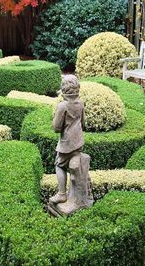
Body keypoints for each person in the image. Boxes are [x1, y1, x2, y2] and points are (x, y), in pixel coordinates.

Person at [50, 75, 85, 204]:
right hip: (78, 142)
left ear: (64, 89)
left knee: (59, 165)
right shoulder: (80, 103)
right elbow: (83, 122)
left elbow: (56, 127)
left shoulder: (62, 106)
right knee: (74, 158)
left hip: (66, 144)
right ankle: (74, 161)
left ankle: (62, 194)